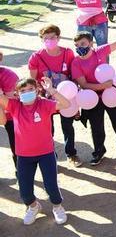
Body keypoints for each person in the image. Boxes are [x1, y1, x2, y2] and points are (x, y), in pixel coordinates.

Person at [1, 76, 71, 225]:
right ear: (17, 94)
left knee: (51, 185)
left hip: (46, 153)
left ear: (38, 90)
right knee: (25, 190)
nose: (27, 92)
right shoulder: (14, 106)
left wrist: (52, 90)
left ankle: (57, 207)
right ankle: (33, 207)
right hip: (24, 156)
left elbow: (66, 104)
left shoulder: (44, 104)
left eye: (31, 89)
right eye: (23, 90)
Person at [71, 29, 116, 165]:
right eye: (77, 45)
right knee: (96, 126)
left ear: (91, 43)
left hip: (111, 93)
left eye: (83, 43)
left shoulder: (100, 51)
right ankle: (99, 152)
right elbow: (83, 84)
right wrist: (103, 86)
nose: (79, 47)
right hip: (92, 97)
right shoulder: (76, 63)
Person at [27, 25, 79, 167]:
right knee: (48, 129)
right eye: (46, 38)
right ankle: (51, 158)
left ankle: (71, 154)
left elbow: (73, 75)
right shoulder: (36, 57)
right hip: (45, 98)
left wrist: (76, 100)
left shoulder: (68, 53)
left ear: (58, 37)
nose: (50, 40)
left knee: (67, 126)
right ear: (42, 40)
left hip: (65, 96)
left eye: (53, 37)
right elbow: (32, 81)